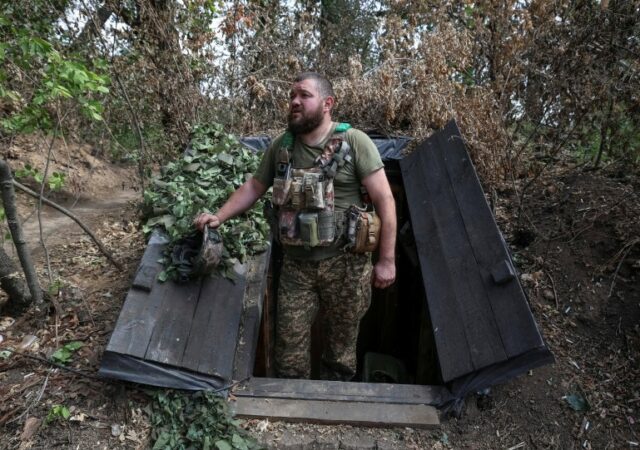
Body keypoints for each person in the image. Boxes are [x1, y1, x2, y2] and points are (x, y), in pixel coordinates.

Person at [194, 72, 396, 381]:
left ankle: (335, 410)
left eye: (304, 95)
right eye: (292, 96)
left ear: (327, 103)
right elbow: (253, 187)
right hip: (296, 267)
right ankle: (292, 412)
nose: (295, 102)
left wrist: (386, 260)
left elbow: (385, 200)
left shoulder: (355, 142)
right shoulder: (282, 146)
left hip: (347, 266)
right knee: (289, 351)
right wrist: (219, 216)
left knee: (341, 350)